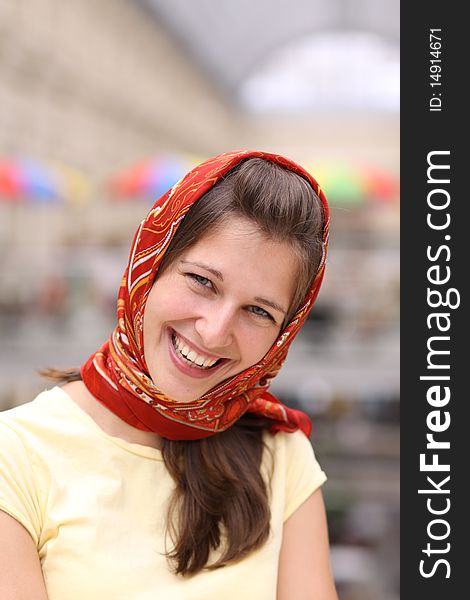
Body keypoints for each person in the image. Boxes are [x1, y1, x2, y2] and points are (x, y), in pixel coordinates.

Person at [0, 150, 338, 599]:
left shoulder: (282, 455)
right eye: (202, 281)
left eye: (258, 311)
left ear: (284, 334)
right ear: (150, 266)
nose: (214, 332)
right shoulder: (17, 455)